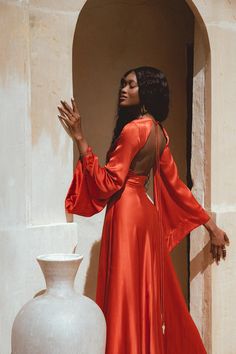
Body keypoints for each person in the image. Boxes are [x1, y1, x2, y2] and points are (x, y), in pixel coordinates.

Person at [57, 66, 230, 354]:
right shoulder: (159, 133)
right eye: (123, 84)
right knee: (141, 293)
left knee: (125, 291)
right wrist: (210, 226)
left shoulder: (133, 130)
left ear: (146, 91)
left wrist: (80, 140)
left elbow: (108, 183)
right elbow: (178, 188)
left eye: (132, 85)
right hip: (146, 215)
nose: (123, 90)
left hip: (126, 212)